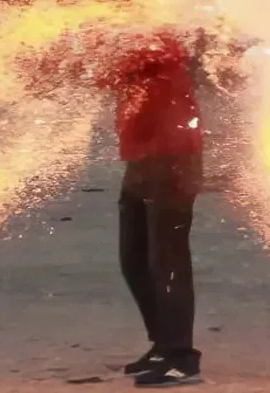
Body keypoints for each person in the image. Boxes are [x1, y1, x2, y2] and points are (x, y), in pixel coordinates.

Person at [97, 30, 204, 387]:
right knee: (135, 260)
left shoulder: (158, 41)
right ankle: (161, 345)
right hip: (140, 161)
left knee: (167, 261)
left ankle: (181, 357)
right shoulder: (129, 41)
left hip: (173, 160)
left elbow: (111, 71)